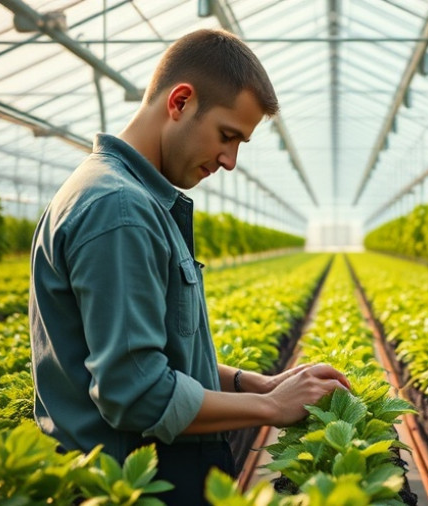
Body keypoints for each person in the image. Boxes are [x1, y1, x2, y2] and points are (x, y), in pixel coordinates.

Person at [28, 29, 349, 504]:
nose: (230, 160)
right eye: (227, 135)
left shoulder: (132, 200)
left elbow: (152, 359)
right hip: (136, 488)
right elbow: (136, 393)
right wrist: (270, 406)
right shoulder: (119, 210)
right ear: (179, 101)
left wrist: (254, 382)